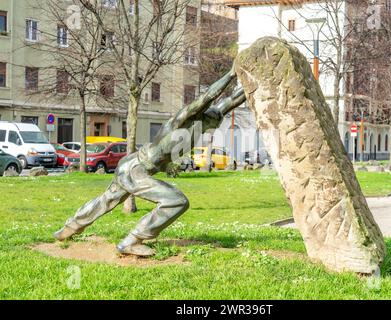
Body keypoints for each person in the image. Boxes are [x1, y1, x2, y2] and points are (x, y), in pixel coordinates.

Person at [53, 68, 246, 256]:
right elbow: (207, 97)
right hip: (138, 169)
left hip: (131, 165)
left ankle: (69, 229)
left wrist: (252, 84)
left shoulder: (200, 126)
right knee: (177, 201)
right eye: (214, 120)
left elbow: (230, 101)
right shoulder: (181, 120)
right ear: (205, 117)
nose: (216, 124)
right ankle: (132, 241)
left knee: (107, 200)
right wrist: (231, 73)